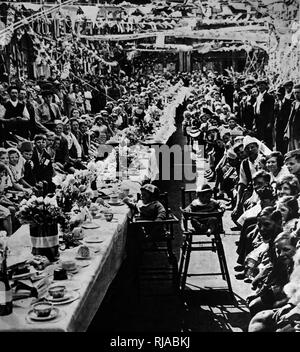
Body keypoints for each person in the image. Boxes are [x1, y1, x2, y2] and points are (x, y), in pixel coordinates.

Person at [253, 79, 275, 149]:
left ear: (265, 86)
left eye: (262, 85)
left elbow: (271, 110)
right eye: (259, 86)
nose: (260, 87)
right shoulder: (258, 97)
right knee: (260, 136)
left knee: (267, 137)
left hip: (265, 120)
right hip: (258, 120)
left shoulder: (269, 97)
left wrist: (269, 122)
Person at [284, 84, 300, 151]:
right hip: (292, 131)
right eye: (295, 92)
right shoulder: (293, 104)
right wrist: (286, 131)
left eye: (298, 92)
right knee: (292, 150)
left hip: (299, 131)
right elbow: (289, 118)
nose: (296, 94)